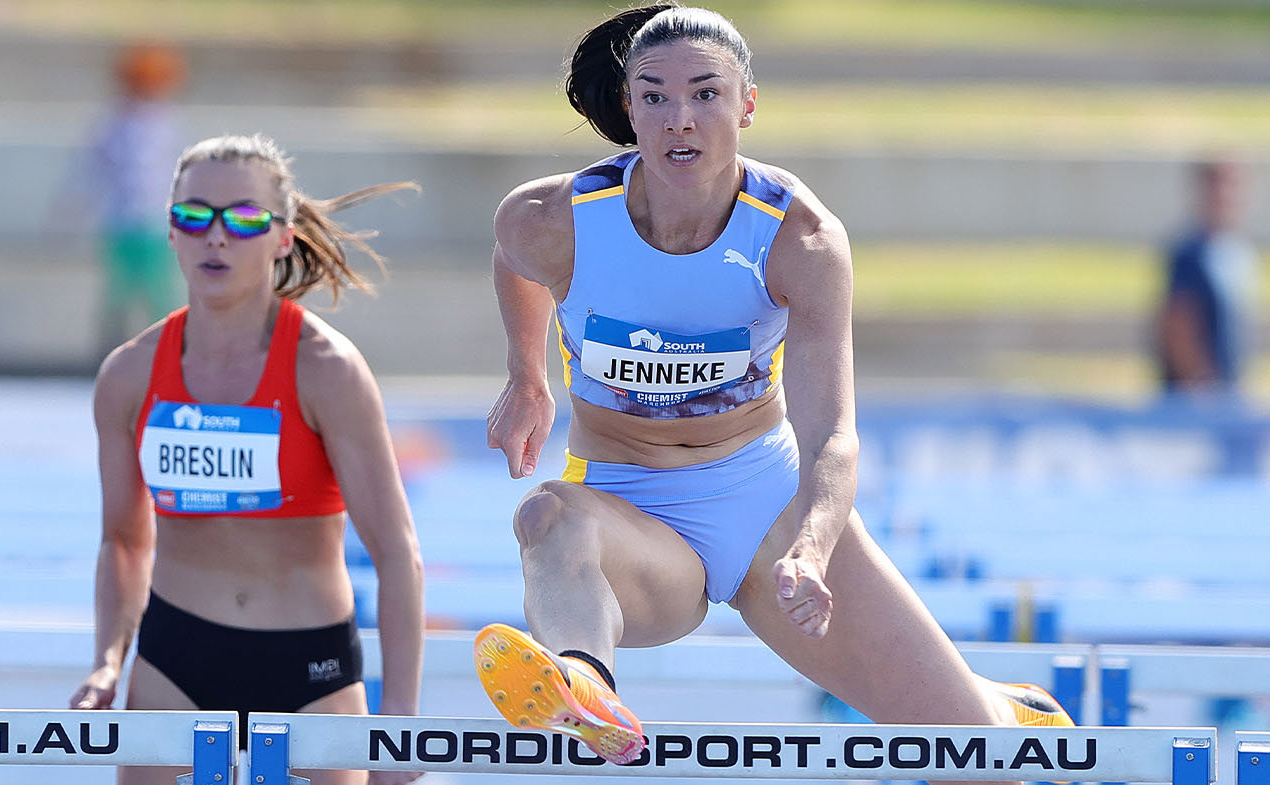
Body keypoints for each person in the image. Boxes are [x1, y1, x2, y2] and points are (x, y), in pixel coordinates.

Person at [477, 3, 1073, 767]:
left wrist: (813, 548)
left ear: (747, 104)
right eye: (654, 96)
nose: (679, 120)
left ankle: (1004, 708)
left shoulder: (800, 236)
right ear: (629, 108)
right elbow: (513, 256)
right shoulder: (553, 216)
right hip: (628, 509)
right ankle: (587, 691)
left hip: (766, 509)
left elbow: (834, 433)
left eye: (705, 94)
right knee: (547, 517)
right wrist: (527, 374)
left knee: (982, 758)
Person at [69, 133, 425, 785]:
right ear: (171, 232)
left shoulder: (328, 369)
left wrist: (398, 715)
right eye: (194, 215)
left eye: (243, 218)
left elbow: (397, 551)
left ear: (281, 236)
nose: (217, 236)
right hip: (175, 657)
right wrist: (107, 661)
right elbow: (122, 540)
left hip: (309, 665)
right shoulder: (128, 374)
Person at [86, 42, 188, 358]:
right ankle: (113, 356)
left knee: (160, 294)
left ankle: (169, 354)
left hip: (158, 224)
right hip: (123, 223)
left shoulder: (168, 123)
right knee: (119, 294)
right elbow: (92, 170)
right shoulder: (113, 123)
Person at [1155, 158, 1259, 396]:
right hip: (1197, 397)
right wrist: (1200, 385)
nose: (1224, 196)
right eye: (1216, 188)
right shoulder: (1189, 254)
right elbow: (1177, 323)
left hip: (1228, 391)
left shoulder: (1237, 251)